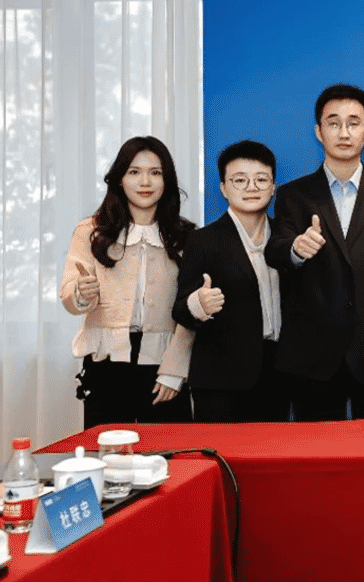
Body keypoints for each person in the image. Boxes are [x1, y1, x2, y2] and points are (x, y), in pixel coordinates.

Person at [266, 83, 364, 421]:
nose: (344, 132)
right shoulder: (295, 195)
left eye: (353, 123)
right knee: (318, 460)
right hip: (313, 354)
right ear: (319, 132)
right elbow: (275, 251)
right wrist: (296, 248)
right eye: (333, 123)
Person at [60, 135, 195, 427]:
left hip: (164, 365)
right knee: (108, 459)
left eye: (155, 173)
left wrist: (175, 370)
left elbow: (191, 312)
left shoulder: (187, 236)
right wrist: (81, 294)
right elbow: (69, 295)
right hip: (105, 361)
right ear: (120, 179)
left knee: (169, 460)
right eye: (134, 172)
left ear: (166, 181)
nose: (145, 182)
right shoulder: (90, 231)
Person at [173, 140, 287, 422]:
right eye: (240, 180)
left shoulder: (289, 238)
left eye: (261, 179)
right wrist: (198, 303)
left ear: (273, 187)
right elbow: (179, 310)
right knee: (220, 462)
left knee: (270, 463)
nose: (251, 187)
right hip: (220, 380)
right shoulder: (203, 241)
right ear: (223, 188)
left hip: (278, 376)